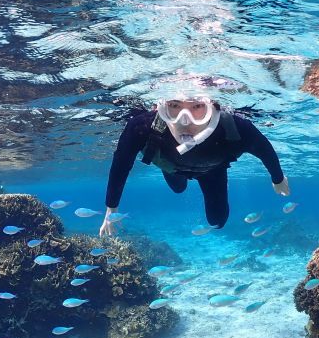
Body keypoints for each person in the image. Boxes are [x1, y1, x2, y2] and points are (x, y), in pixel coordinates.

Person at [100, 94, 289, 236]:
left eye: (197, 107)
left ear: (213, 109)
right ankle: (177, 176)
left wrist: (278, 179)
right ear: (161, 109)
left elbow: (265, 150)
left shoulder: (236, 127)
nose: (185, 120)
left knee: (218, 221)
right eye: (174, 106)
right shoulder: (141, 126)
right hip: (171, 167)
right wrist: (111, 207)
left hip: (213, 171)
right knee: (178, 188)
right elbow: (121, 164)